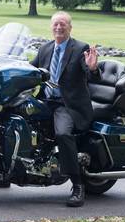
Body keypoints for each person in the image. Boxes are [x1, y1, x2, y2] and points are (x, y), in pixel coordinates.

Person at [31, 11, 100, 207]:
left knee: (62, 133)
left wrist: (93, 67)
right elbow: (30, 69)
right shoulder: (45, 49)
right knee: (12, 118)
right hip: (45, 101)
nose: (59, 27)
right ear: (51, 27)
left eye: (63, 24)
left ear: (70, 27)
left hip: (67, 104)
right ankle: (1, 174)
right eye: (56, 24)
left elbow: (90, 73)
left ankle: (78, 185)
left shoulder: (80, 49)